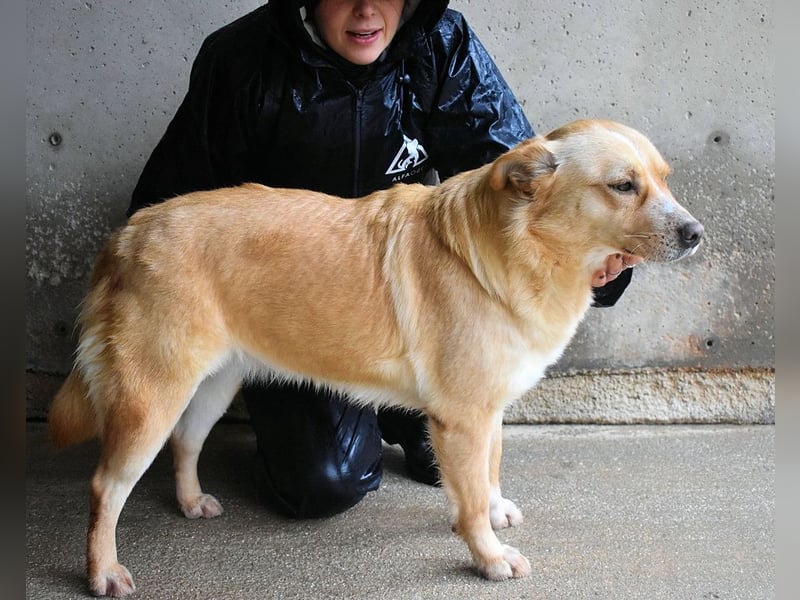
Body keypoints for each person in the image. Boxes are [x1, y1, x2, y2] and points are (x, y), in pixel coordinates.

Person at [128, 0, 635, 519]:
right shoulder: (239, 59)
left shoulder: (442, 42)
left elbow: (510, 176)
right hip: (303, 313)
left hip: (420, 305)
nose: (367, 10)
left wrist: (596, 268)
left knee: (452, 441)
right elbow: (174, 211)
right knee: (324, 482)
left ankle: (399, 414)